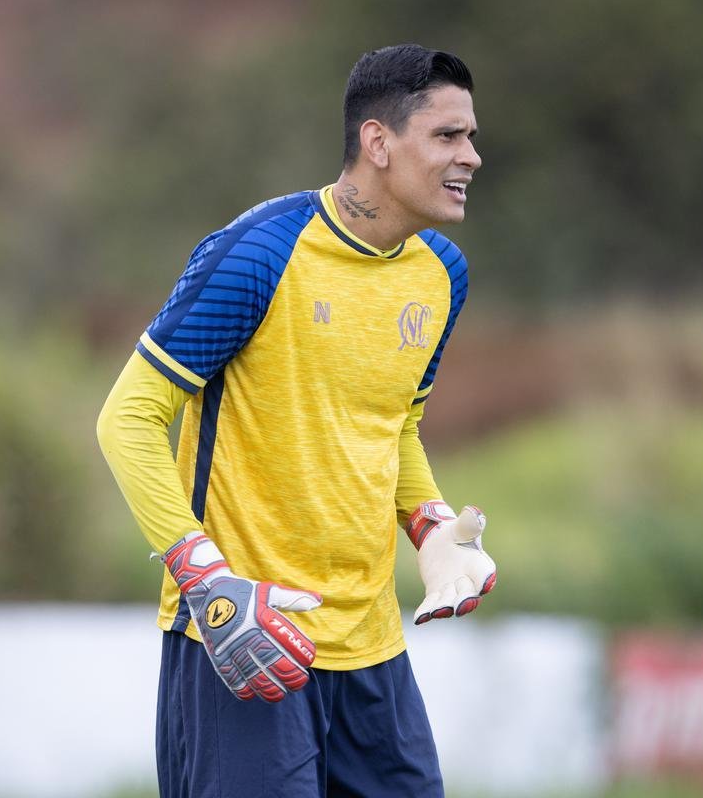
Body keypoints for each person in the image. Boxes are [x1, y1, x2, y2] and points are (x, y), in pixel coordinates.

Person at [96, 43, 495, 798]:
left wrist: (431, 525)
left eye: (470, 136)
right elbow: (129, 420)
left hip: (373, 655)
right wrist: (206, 582)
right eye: (448, 135)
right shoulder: (260, 253)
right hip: (243, 640)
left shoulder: (443, 272)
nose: (471, 156)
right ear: (378, 142)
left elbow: (395, 426)